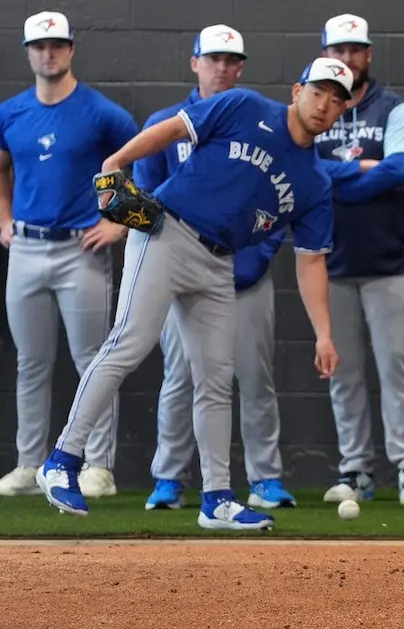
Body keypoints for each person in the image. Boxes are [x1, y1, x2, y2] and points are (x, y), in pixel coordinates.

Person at [34, 56, 352, 530]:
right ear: (297, 90)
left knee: (215, 379)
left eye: (336, 98)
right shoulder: (244, 106)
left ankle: (217, 498)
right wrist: (118, 161)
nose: (325, 104)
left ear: (342, 110)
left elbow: (310, 261)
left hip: (218, 261)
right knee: (129, 343)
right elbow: (173, 129)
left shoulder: (315, 183)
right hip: (165, 233)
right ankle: (62, 459)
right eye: (318, 91)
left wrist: (324, 334)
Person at [135, 26, 297, 512]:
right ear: (194, 63)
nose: (222, 68)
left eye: (231, 60)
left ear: (241, 67)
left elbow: (281, 205)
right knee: (180, 378)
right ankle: (168, 477)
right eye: (213, 59)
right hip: (177, 275)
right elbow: (148, 198)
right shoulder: (165, 124)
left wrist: (251, 262)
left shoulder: (260, 123)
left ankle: (264, 478)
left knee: (253, 377)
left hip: (244, 277)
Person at [0, 11, 136, 499]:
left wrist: (117, 222)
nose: (48, 53)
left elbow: (139, 164)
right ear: (29, 52)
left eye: (57, 45)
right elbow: (1, 167)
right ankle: (29, 464)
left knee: (93, 360)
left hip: (82, 251)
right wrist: (4, 218)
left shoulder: (102, 113)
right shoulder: (10, 112)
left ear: (71, 49)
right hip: (27, 250)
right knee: (30, 363)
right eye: (39, 46)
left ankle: (97, 465)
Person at [316, 14, 404, 506]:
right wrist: (361, 166)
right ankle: (356, 469)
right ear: (325, 53)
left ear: (368, 54)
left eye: (355, 50)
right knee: (342, 372)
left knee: (394, 365)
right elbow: (304, 169)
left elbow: (400, 168)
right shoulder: (313, 108)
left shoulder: (393, 107)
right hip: (328, 260)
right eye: (338, 51)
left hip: (386, 260)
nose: (346, 59)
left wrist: (336, 178)